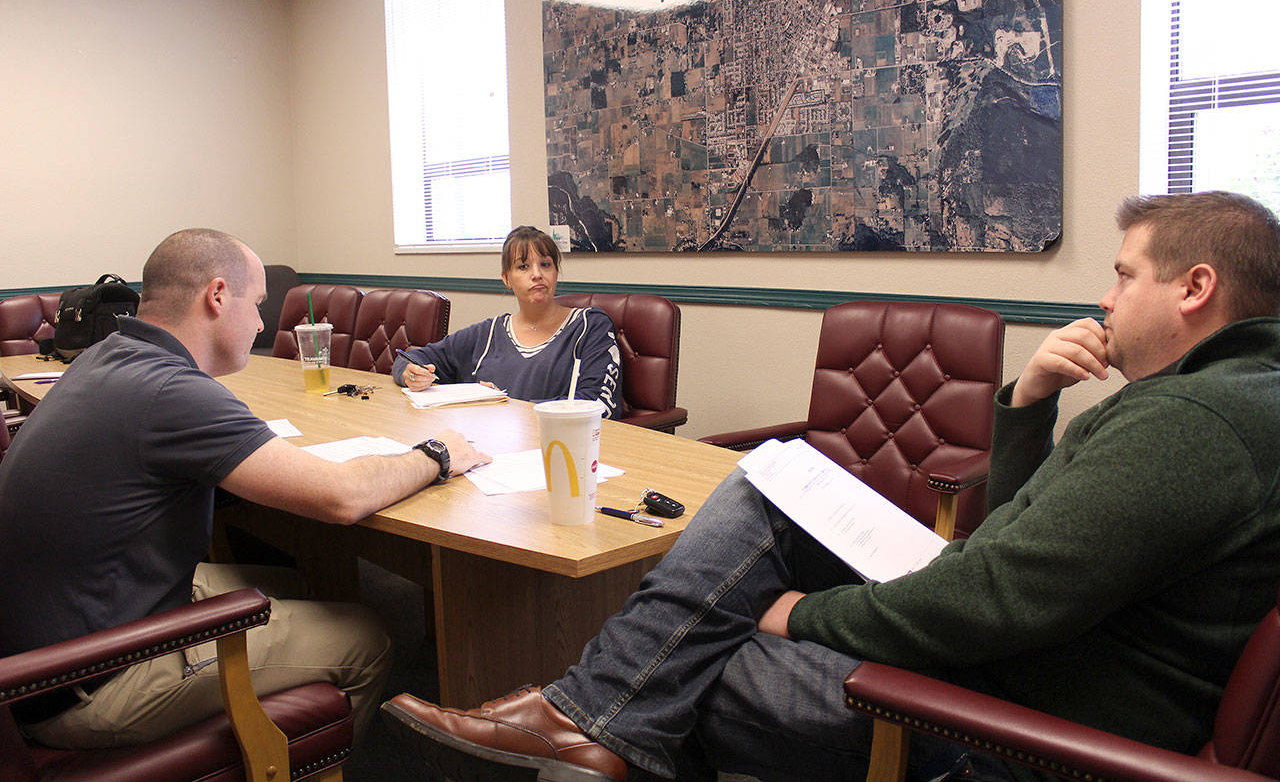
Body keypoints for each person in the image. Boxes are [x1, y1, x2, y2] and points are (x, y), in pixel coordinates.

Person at [382, 191, 1280, 782]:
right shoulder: (1213, 401)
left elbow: (996, 596)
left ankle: (586, 716)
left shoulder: (1191, 426)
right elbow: (1013, 543)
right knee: (768, 488)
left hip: (1012, 720)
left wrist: (798, 614)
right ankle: (587, 713)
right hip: (1015, 656)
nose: (1108, 298)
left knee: (686, 666)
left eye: (1124, 276)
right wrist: (1028, 401)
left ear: (1195, 287)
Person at [0, 228, 489, 750]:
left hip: (52, 637)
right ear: (216, 296)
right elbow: (341, 496)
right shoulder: (172, 391)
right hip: (83, 681)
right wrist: (436, 454)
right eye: (256, 304)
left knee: (303, 584)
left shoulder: (108, 356)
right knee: (368, 637)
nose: (260, 322)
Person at [393, 226, 622, 417]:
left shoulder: (590, 326)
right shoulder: (488, 333)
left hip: (562, 452)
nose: (537, 274)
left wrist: (503, 405)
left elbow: (597, 406)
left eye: (545, 264)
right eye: (523, 266)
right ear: (506, 279)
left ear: (555, 271)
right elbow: (412, 358)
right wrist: (410, 373)